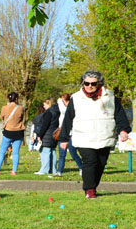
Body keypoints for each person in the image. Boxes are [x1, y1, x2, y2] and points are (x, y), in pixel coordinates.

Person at [59, 70, 130, 198]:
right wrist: (64, 139)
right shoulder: (76, 98)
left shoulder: (110, 97)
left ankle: (93, 186)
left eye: (93, 83)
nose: (89, 86)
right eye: (86, 83)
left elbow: (120, 116)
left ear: (99, 83)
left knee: (101, 163)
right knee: (90, 161)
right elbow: (67, 120)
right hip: (84, 137)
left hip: (105, 136)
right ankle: (89, 189)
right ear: (83, 83)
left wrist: (123, 130)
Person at [0, 92, 25, 175]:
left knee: (2, 151)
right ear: (16, 99)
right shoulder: (20, 108)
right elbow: (22, 117)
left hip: (8, 132)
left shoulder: (4, 108)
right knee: (16, 152)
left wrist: (7, 106)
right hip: (18, 132)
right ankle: (14, 171)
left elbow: (1, 117)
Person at [55, 93, 83, 177]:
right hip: (63, 133)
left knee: (73, 153)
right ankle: (59, 171)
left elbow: (64, 110)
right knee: (62, 154)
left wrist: (60, 101)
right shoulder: (62, 108)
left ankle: (81, 167)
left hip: (72, 134)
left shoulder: (71, 108)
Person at [34, 98, 59, 175]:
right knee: (53, 152)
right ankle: (53, 169)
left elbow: (45, 125)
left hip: (47, 135)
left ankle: (44, 170)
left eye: (44, 105)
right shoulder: (57, 112)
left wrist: (39, 135)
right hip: (54, 134)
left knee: (45, 152)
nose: (43, 107)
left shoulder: (49, 112)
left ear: (48, 104)